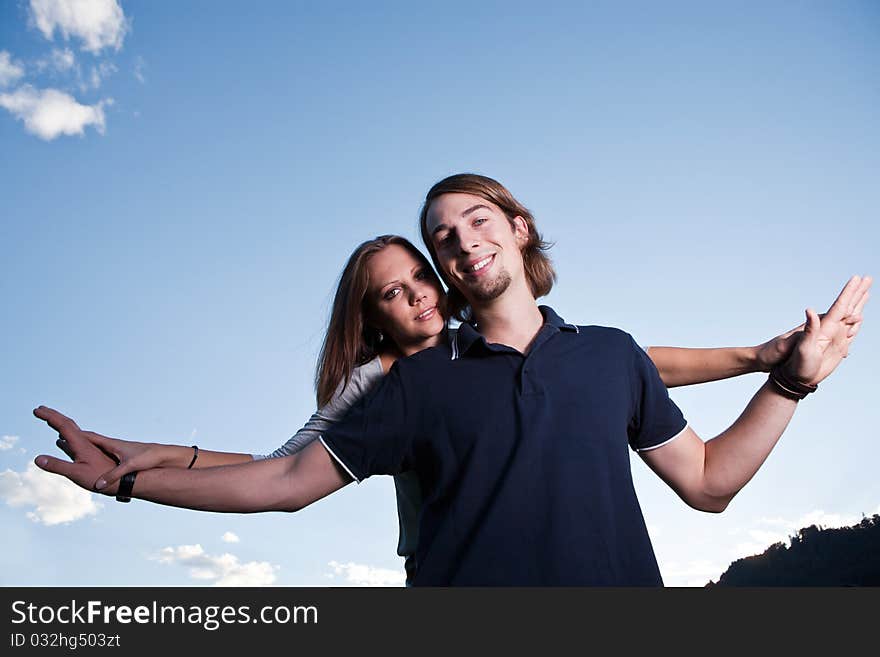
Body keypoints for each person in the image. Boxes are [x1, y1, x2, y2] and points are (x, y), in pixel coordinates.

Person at [34, 174, 871, 585]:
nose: (462, 244)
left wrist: (782, 376)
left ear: (517, 229)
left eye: (478, 221)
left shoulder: (606, 353)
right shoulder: (403, 385)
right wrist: (127, 478)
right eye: (443, 238)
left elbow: (707, 474)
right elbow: (279, 475)